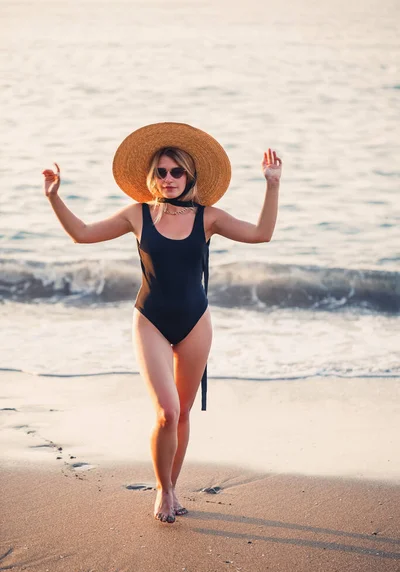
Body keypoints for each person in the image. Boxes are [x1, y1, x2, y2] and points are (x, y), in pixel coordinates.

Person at [42, 122, 282, 524]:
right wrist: (54, 197)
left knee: (184, 412)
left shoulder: (209, 218)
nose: (168, 179)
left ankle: (174, 487)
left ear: (189, 176)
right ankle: (163, 489)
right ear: (151, 177)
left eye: (176, 172)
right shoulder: (138, 215)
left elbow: (262, 234)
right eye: (161, 172)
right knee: (167, 412)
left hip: (195, 322)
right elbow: (82, 235)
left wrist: (272, 185)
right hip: (150, 319)